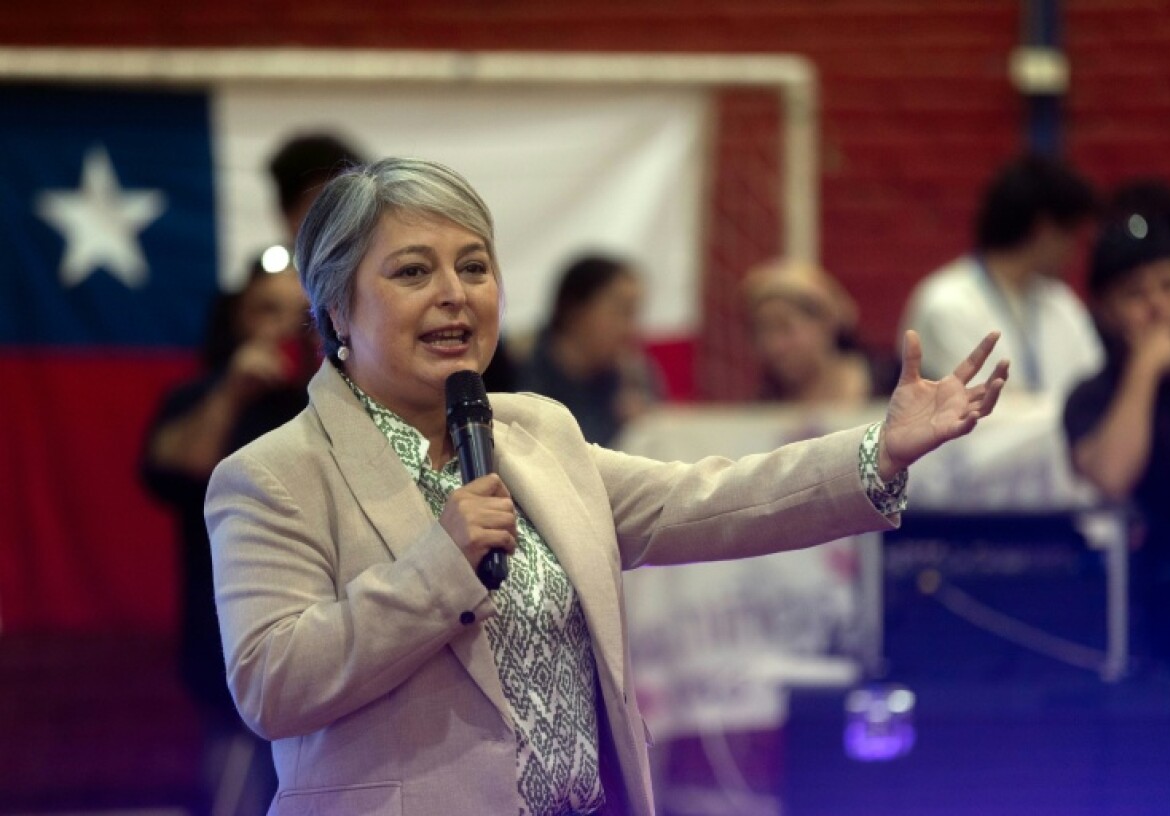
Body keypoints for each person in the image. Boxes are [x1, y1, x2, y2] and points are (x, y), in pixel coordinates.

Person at [203, 157, 1009, 816]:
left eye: (475, 266)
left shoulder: (533, 433)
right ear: (337, 308)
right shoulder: (273, 475)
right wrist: (435, 570)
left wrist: (880, 450)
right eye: (414, 271)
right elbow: (273, 685)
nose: (455, 292)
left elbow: (709, 498)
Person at [141, 257, 313, 814]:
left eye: (299, 316)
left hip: (331, 639)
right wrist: (234, 389)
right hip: (225, 645)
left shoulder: (333, 406)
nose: (283, 328)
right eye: (267, 311)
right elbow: (178, 467)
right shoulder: (199, 398)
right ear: (236, 318)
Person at [1063, 210, 1170, 675]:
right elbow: (1112, 475)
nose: (1158, 306)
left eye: (1169, 286)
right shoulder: (1094, 396)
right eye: (1136, 294)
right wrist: (1146, 371)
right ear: (1106, 311)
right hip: (1162, 603)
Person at [899, 152, 1103, 397]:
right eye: (1072, 236)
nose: (1075, 252)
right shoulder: (947, 304)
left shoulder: (1061, 301)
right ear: (1044, 229)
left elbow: (1095, 395)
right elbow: (976, 413)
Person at [518, 253, 658, 446]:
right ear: (575, 310)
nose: (630, 328)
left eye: (635, 313)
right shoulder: (518, 371)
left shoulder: (633, 377)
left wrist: (644, 428)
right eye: (622, 311)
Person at [743, 258, 877, 405]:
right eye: (763, 331)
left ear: (826, 323)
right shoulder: (763, 405)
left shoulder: (887, 386)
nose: (774, 346)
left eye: (784, 327)